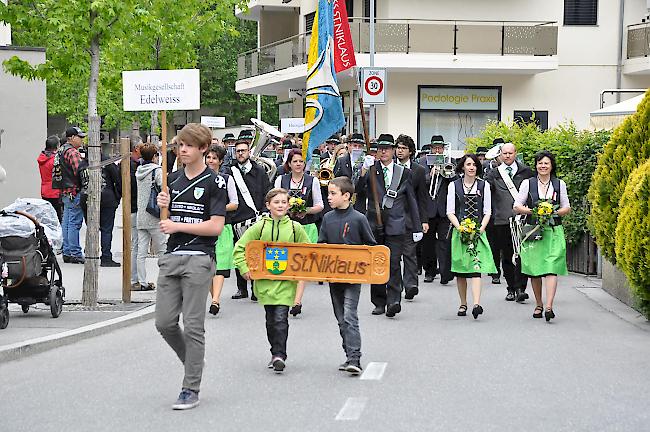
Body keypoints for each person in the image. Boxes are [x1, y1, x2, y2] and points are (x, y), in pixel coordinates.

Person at [155, 123, 227, 410]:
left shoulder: (215, 182)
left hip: (199, 258)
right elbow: (162, 220)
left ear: (203, 149)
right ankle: (194, 361)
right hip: (171, 257)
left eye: (188, 145)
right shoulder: (170, 180)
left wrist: (176, 224)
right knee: (164, 322)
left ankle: (190, 387)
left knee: (193, 325)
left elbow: (216, 226)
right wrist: (162, 204)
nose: (182, 150)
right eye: (179, 145)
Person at [232, 188, 310, 373]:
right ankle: (274, 351)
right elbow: (240, 247)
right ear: (268, 205)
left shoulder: (294, 228)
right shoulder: (259, 227)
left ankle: (279, 355)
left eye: (284, 202)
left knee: (281, 318)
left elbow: (309, 251)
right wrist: (244, 269)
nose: (281, 205)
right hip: (265, 283)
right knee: (270, 320)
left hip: (286, 283)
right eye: (276, 202)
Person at [356, 133, 423, 318]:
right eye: (380, 148)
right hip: (373, 223)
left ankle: (394, 300)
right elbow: (357, 189)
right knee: (377, 263)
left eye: (386, 148)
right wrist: (363, 170)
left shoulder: (404, 172)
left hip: (396, 224)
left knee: (393, 263)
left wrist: (417, 226)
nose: (383, 151)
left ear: (394, 151)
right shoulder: (370, 169)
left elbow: (411, 200)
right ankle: (379, 302)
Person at [318, 176, 376, 375]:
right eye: (328, 194)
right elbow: (321, 244)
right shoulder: (327, 218)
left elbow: (371, 246)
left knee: (350, 316)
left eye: (333, 194)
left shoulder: (359, 218)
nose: (329, 198)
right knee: (341, 318)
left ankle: (355, 358)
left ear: (347, 196)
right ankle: (348, 354)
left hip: (353, 277)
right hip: (334, 277)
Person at [513, 150, 571, 322]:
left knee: (552, 267)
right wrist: (535, 212)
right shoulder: (527, 183)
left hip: (554, 231)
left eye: (546, 163)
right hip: (533, 231)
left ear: (551, 165)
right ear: (536, 165)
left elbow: (566, 207)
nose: (543, 166)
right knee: (535, 270)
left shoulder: (559, 184)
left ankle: (549, 306)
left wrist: (552, 213)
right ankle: (538, 303)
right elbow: (517, 205)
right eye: (540, 163)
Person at [446, 154, 497, 319]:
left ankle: (476, 303)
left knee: (476, 268)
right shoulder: (454, 186)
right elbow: (450, 211)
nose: (472, 167)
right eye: (468, 164)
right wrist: (460, 227)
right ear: (462, 167)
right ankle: (463, 303)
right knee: (461, 270)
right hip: (460, 231)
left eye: (474, 164)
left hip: (478, 231)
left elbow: (487, 211)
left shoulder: (484, 185)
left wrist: (481, 229)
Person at [485, 142, 534, 302]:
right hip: (502, 219)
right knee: (506, 255)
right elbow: (487, 193)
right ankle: (511, 288)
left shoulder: (526, 171)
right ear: (500, 154)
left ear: (515, 153)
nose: (507, 156)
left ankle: (521, 288)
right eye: (504, 153)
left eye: (510, 153)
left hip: (523, 218)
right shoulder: (493, 173)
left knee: (523, 254)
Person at [227, 138, 272, 300]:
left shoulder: (259, 170)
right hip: (237, 218)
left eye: (243, 150)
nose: (240, 154)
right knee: (239, 253)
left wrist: (265, 211)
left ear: (249, 152)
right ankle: (241, 288)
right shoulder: (230, 171)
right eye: (238, 151)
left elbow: (267, 190)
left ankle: (255, 288)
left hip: (255, 217)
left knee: (255, 253)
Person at [395, 134, 430, 300]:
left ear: (410, 151)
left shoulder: (418, 170)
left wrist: (424, 220)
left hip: (411, 217)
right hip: (392, 218)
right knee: (394, 255)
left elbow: (422, 197)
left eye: (403, 148)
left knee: (409, 253)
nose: (399, 151)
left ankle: (411, 285)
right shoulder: (390, 167)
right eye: (398, 148)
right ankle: (396, 285)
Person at [205, 145, 239, 315]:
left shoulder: (227, 179)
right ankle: (214, 298)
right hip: (204, 227)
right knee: (208, 266)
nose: (211, 161)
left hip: (223, 226)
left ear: (220, 161)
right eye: (208, 157)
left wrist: (218, 208)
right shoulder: (199, 178)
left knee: (221, 265)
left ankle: (216, 300)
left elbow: (235, 203)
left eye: (214, 158)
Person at [419, 135, 456, 285]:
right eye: (435, 148)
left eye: (440, 148)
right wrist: (430, 175)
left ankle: (445, 272)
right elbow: (420, 183)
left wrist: (447, 173)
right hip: (428, 208)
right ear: (430, 148)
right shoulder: (422, 163)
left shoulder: (450, 162)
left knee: (444, 241)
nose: (437, 150)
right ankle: (429, 271)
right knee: (427, 242)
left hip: (444, 209)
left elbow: (455, 182)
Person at [134, 143, 166, 289]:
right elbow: (164, 188)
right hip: (154, 215)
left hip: (141, 215)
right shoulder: (157, 171)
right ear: (154, 156)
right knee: (162, 250)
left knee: (141, 252)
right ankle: (164, 280)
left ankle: (142, 281)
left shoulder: (138, 171)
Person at [274, 148, 323, 243]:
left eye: (301, 161)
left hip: (307, 226)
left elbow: (320, 205)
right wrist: (286, 209)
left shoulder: (313, 181)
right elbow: (275, 202)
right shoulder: (280, 179)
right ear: (289, 163)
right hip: (285, 225)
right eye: (295, 161)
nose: (298, 164)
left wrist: (306, 211)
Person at [52, 126, 86, 264]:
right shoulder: (72, 152)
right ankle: (75, 252)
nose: (82, 140)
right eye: (80, 137)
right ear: (71, 137)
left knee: (66, 222)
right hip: (74, 190)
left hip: (65, 191)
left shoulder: (60, 151)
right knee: (74, 223)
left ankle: (67, 251)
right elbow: (81, 170)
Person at [127, 141, 142, 288]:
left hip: (132, 206)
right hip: (135, 207)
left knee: (136, 244)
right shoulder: (133, 166)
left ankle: (135, 278)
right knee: (136, 244)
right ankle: (133, 279)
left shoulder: (131, 164)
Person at [38, 136, 63, 222]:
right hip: (55, 192)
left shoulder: (42, 158)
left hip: (45, 190)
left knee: (48, 218)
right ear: (56, 147)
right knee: (58, 219)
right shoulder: (55, 160)